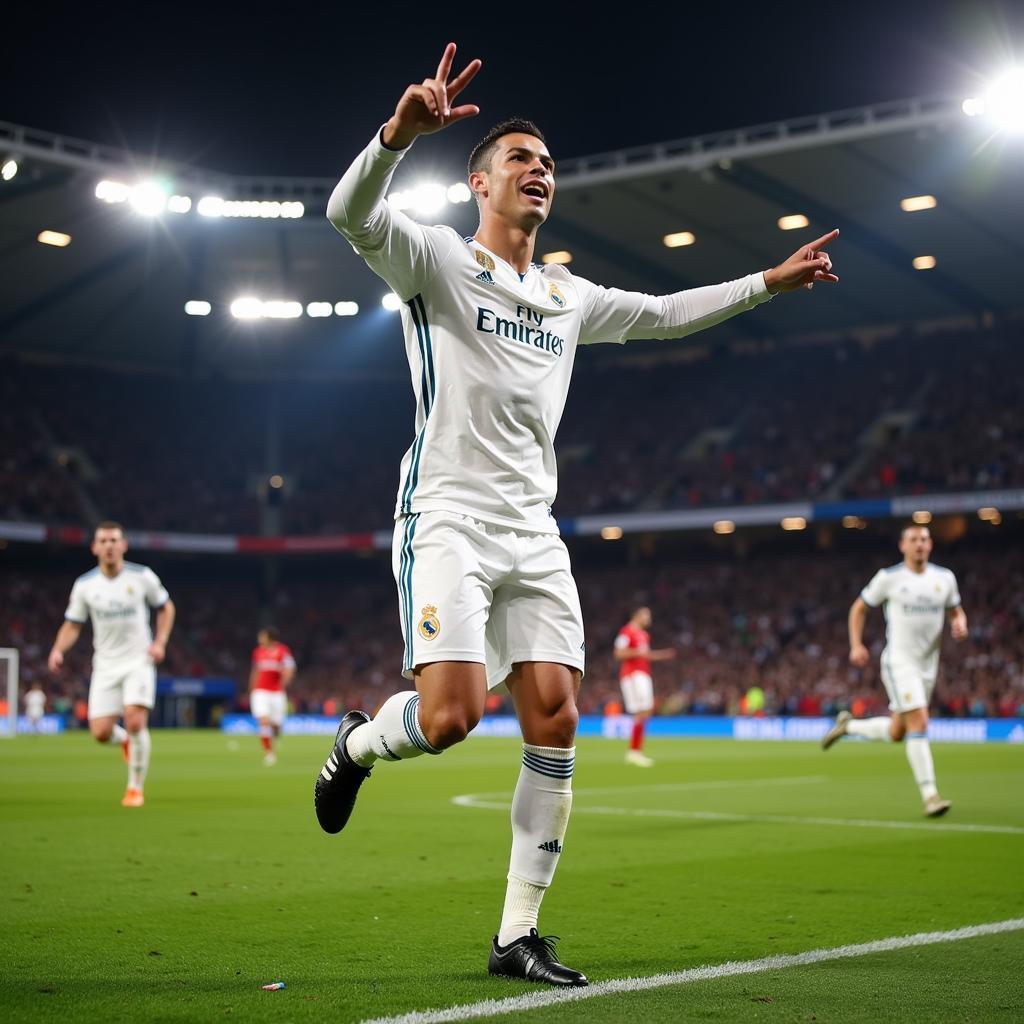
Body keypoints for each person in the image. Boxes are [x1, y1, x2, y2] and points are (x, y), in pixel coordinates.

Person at [314, 42, 839, 987]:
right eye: (520, 157)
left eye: (547, 161)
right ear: (479, 181)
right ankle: (354, 745)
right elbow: (346, 214)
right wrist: (396, 136)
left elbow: (670, 313)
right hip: (447, 518)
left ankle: (517, 934)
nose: (539, 168)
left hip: (534, 531)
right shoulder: (433, 259)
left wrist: (767, 282)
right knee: (449, 720)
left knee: (554, 719)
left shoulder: (566, 296)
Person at [821, 524, 967, 817]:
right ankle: (931, 795)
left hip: (928, 664)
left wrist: (959, 622)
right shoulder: (889, 578)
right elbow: (858, 608)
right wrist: (856, 644)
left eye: (925, 539)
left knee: (898, 730)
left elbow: (955, 609)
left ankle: (848, 726)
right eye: (913, 540)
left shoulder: (944, 578)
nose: (920, 544)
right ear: (902, 546)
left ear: (931, 544)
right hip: (900, 661)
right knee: (920, 722)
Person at [47, 521, 175, 807]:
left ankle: (134, 788)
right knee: (101, 733)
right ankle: (126, 742)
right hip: (105, 664)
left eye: (114, 540)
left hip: (139, 660)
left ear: (123, 545)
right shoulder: (85, 585)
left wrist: (160, 642)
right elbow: (73, 625)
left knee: (134, 719)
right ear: (94, 547)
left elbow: (166, 607)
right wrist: (58, 649)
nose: (109, 546)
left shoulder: (142, 577)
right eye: (103, 541)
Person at [614, 606, 675, 767]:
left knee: (644, 711)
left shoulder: (644, 635)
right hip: (633, 674)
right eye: (646, 616)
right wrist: (637, 652)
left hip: (643, 673)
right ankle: (635, 752)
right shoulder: (627, 631)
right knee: (642, 711)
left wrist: (662, 655)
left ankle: (635, 751)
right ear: (637, 615)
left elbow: (645, 655)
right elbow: (619, 653)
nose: (649, 619)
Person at [249, 627, 296, 766]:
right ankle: (269, 753)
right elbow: (255, 671)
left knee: (276, 725)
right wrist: (251, 688)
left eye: (262, 637)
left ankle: (274, 740)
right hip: (260, 692)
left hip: (277, 693)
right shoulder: (257, 652)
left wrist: (285, 681)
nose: (259, 639)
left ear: (269, 638)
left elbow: (290, 667)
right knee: (263, 721)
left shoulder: (282, 651)